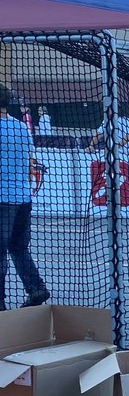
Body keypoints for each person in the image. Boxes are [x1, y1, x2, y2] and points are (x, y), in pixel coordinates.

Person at [0, 85, 51, 312]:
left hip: (2, 199)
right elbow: (30, 164)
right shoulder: (21, 127)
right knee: (18, 248)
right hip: (23, 198)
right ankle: (36, 287)